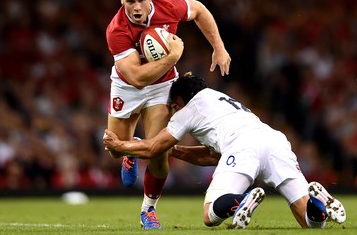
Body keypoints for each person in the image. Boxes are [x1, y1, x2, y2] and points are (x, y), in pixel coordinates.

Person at [103, 72, 347, 229]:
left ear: (180, 100)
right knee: (310, 223)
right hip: (274, 141)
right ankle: (319, 202)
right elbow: (212, 156)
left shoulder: (188, 110)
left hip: (243, 147)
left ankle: (241, 201)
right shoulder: (220, 99)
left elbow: (153, 146)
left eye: (173, 104)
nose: (172, 110)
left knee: (210, 215)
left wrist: (120, 146)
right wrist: (175, 150)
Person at [105, 0, 231, 229]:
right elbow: (137, 78)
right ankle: (130, 150)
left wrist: (218, 47)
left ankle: (148, 210)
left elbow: (199, 10)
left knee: (159, 153)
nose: (136, 7)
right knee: (114, 150)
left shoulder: (168, 5)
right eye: (130, 2)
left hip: (162, 87)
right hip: (127, 87)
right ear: (121, 0)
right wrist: (173, 56)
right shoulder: (116, 30)